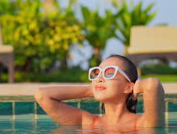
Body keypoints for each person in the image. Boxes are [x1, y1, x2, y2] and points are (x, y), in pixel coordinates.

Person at [34, 54, 165, 129]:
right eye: (97, 73)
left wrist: (136, 88)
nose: (99, 78)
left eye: (109, 73)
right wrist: (93, 89)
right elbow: (42, 95)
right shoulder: (89, 123)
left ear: (128, 87)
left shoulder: (143, 123)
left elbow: (152, 84)